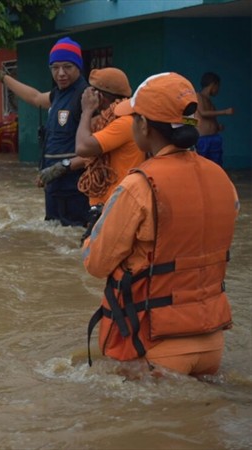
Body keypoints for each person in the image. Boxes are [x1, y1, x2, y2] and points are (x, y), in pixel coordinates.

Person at [83, 72, 238, 377]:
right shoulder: (223, 179)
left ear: (143, 126)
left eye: (134, 118)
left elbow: (96, 263)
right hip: (212, 342)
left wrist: (91, 237)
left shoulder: (138, 186)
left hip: (154, 345)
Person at [0, 37, 89, 226]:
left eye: (67, 67)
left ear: (78, 66)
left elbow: (98, 149)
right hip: (54, 187)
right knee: (55, 242)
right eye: (55, 67)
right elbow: (35, 97)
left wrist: (62, 167)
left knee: (74, 237)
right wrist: (1, 76)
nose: (61, 73)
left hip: (75, 188)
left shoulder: (86, 97)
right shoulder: (59, 94)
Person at [73, 68, 145, 240]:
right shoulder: (111, 120)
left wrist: (87, 110)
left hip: (115, 208)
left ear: (100, 97)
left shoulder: (124, 123)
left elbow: (83, 147)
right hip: (106, 206)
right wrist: (63, 167)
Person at [196, 71, 234, 166]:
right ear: (213, 84)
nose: (218, 90)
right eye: (218, 87)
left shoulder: (210, 101)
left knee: (216, 165)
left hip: (214, 137)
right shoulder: (198, 96)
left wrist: (217, 126)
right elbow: (203, 113)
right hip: (203, 139)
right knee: (202, 164)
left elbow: (211, 118)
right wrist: (225, 112)